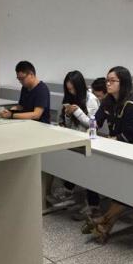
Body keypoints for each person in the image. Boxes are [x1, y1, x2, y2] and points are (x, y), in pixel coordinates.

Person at [81, 66, 133, 240]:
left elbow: (132, 134)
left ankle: (103, 220)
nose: (108, 84)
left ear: (123, 83)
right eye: (107, 80)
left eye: (112, 81)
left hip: (132, 150)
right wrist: (91, 130)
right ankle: (104, 226)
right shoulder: (108, 100)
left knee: (124, 189)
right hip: (115, 147)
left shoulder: (131, 103)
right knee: (119, 189)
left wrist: (111, 139)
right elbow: (97, 121)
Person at [49, 71, 99, 206]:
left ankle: (92, 205)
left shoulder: (91, 99)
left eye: (73, 89)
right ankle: (70, 193)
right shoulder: (71, 98)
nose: (71, 92)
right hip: (74, 138)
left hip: (88, 141)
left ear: (80, 86)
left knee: (87, 173)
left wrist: (77, 111)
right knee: (72, 166)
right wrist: (67, 115)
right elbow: (70, 125)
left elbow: (93, 125)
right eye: (69, 89)